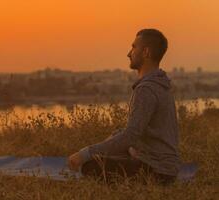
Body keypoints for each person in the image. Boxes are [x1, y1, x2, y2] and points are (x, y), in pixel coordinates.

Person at [68, 29, 181, 184]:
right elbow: (137, 132)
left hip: (157, 171)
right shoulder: (161, 84)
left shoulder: (146, 89)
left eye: (134, 47)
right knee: (113, 146)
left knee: (90, 166)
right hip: (165, 167)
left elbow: (130, 135)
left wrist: (84, 154)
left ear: (146, 52)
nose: (129, 53)